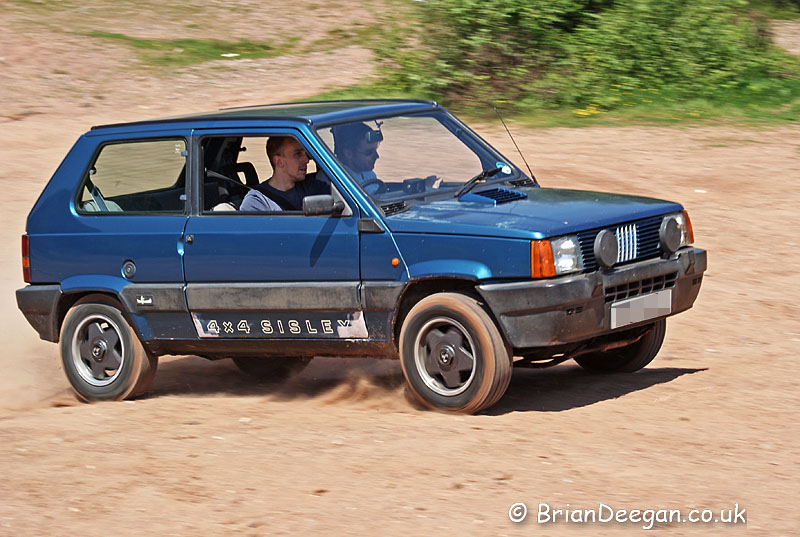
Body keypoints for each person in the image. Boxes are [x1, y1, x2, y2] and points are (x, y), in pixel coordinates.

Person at [240, 136, 329, 211]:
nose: (306, 160)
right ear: (279, 162)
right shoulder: (258, 202)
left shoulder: (313, 187)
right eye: (298, 154)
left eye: (305, 154)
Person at [332, 122, 384, 195]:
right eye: (369, 152)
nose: (376, 156)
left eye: (375, 150)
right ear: (348, 154)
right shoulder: (335, 182)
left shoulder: (369, 175)